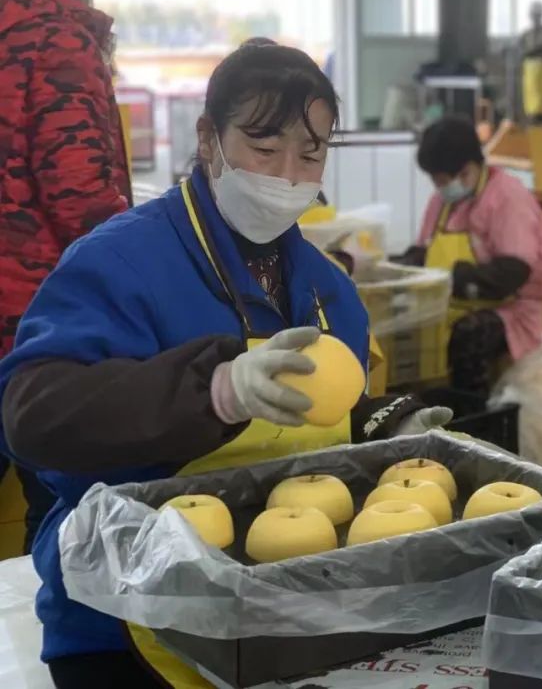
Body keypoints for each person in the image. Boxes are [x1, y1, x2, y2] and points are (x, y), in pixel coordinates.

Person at [0, 40, 447, 688]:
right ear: (209, 138)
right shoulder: (121, 264)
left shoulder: (327, 290)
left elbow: (321, 421)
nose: (287, 175)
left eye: (310, 153)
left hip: (283, 615)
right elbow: (34, 416)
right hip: (124, 619)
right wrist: (214, 390)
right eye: (264, 148)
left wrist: (388, 426)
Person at [0, 0, 131, 554]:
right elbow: (79, 193)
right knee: (61, 504)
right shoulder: (52, 32)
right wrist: (139, 267)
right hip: (31, 323)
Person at [399, 117, 542, 394]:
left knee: (470, 334)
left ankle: (470, 411)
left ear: (467, 170)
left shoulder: (508, 198)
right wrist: (401, 269)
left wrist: (455, 278)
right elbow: (425, 251)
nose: (439, 187)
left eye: (442, 180)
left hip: (510, 311)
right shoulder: (442, 200)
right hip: (451, 304)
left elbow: (514, 272)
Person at [518, 1, 542, 123]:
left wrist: (540, 52)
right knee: (531, 110)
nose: (536, 18)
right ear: (530, 16)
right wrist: (531, 52)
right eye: (534, 15)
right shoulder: (525, 35)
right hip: (530, 80)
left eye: (538, 15)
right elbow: (521, 54)